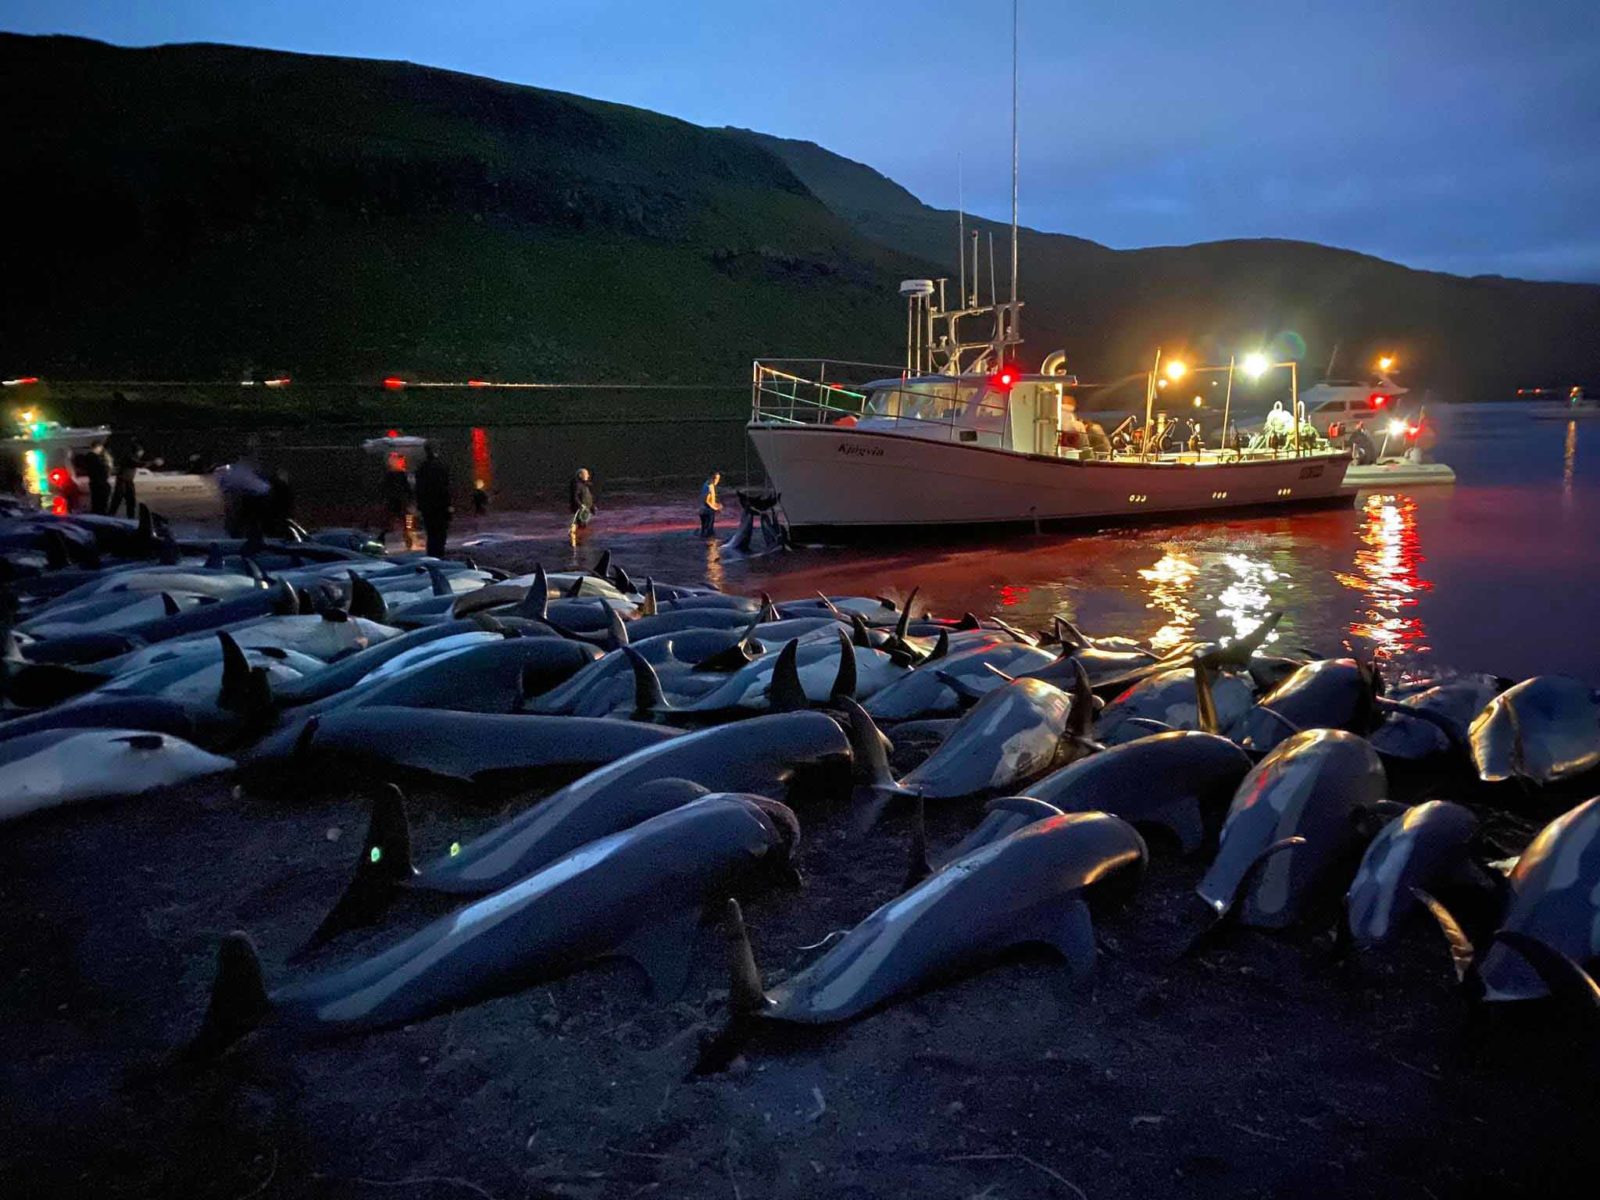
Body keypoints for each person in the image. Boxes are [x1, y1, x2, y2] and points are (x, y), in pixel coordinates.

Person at [415, 443, 453, 558]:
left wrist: (420, 506)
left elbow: (419, 489)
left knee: (431, 534)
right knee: (440, 535)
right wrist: (449, 506)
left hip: (427, 508)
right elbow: (446, 488)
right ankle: (439, 555)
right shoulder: (441, 466)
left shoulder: (421, 468)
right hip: (440, 507)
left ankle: (432, 555)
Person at [382, 453, 415, 549]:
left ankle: (408, 540)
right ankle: (409, 540)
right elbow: (408, 489)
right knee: (407, 521)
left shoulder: (392, 475)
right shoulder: (401, 475)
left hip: (395, 502)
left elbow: (384, 488)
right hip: (400, 503)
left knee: (404, 521)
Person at [110, 438, 147, 518]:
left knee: (131, 500)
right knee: (117, 499)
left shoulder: (133, 457)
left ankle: (131, 516)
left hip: (129, 481)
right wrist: (153, 462)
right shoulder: (130, 457)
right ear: (137, 451)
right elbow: (138, 464)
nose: (142, 454)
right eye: (141, 452)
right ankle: (110, 515)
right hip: (122, 481)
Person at [83, 441, 113, 515]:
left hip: (96, 482)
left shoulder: (90, 457)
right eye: (100, 448)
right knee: (100, 502)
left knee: (96, 501)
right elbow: (101, 470)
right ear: (97, 447)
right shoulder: (94, 457)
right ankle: (100, 514)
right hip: (99, 482)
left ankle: (98, 513)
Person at [569, 467, 595, 538]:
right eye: (586, 474)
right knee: (581, 526)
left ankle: (582, 538)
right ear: (580, 475)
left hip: (586, 510)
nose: (588, 476)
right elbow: (575, 497)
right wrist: (581, 506)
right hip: (580, 511)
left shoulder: (585, 485)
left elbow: (589, 497)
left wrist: (592, 507)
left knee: (584, 526)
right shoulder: (577, 485)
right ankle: (579, 540)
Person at [699, 471, 722, 537]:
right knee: (709, 532)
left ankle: (703, 544)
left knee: (703, 531)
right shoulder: (710, 486)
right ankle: (711, 545)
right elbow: (707, 501)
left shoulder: (705, 484)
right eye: (717, 478)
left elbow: (707, 499)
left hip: (702, 510)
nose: (718, 480)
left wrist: (716, 504)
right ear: (713, 478)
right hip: (708, 511)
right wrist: (715, 508)